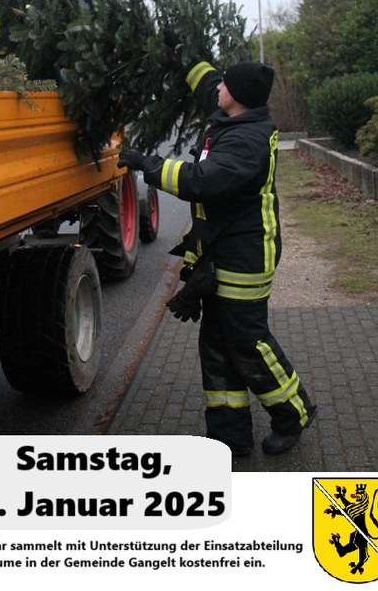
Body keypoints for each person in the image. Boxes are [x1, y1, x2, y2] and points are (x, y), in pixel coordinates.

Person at [118, 35, 317, 457]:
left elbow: (202, 182)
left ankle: (293, 413)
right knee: (216, 343)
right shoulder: (234, 115)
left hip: (246, 256)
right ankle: (230, 435)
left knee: (246, 341)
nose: (218, 89)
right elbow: (207, 83)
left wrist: (147, 165)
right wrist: (183, 50)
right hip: (221, 253)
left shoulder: (248, 140)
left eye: (225, 85)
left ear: (238, 97)